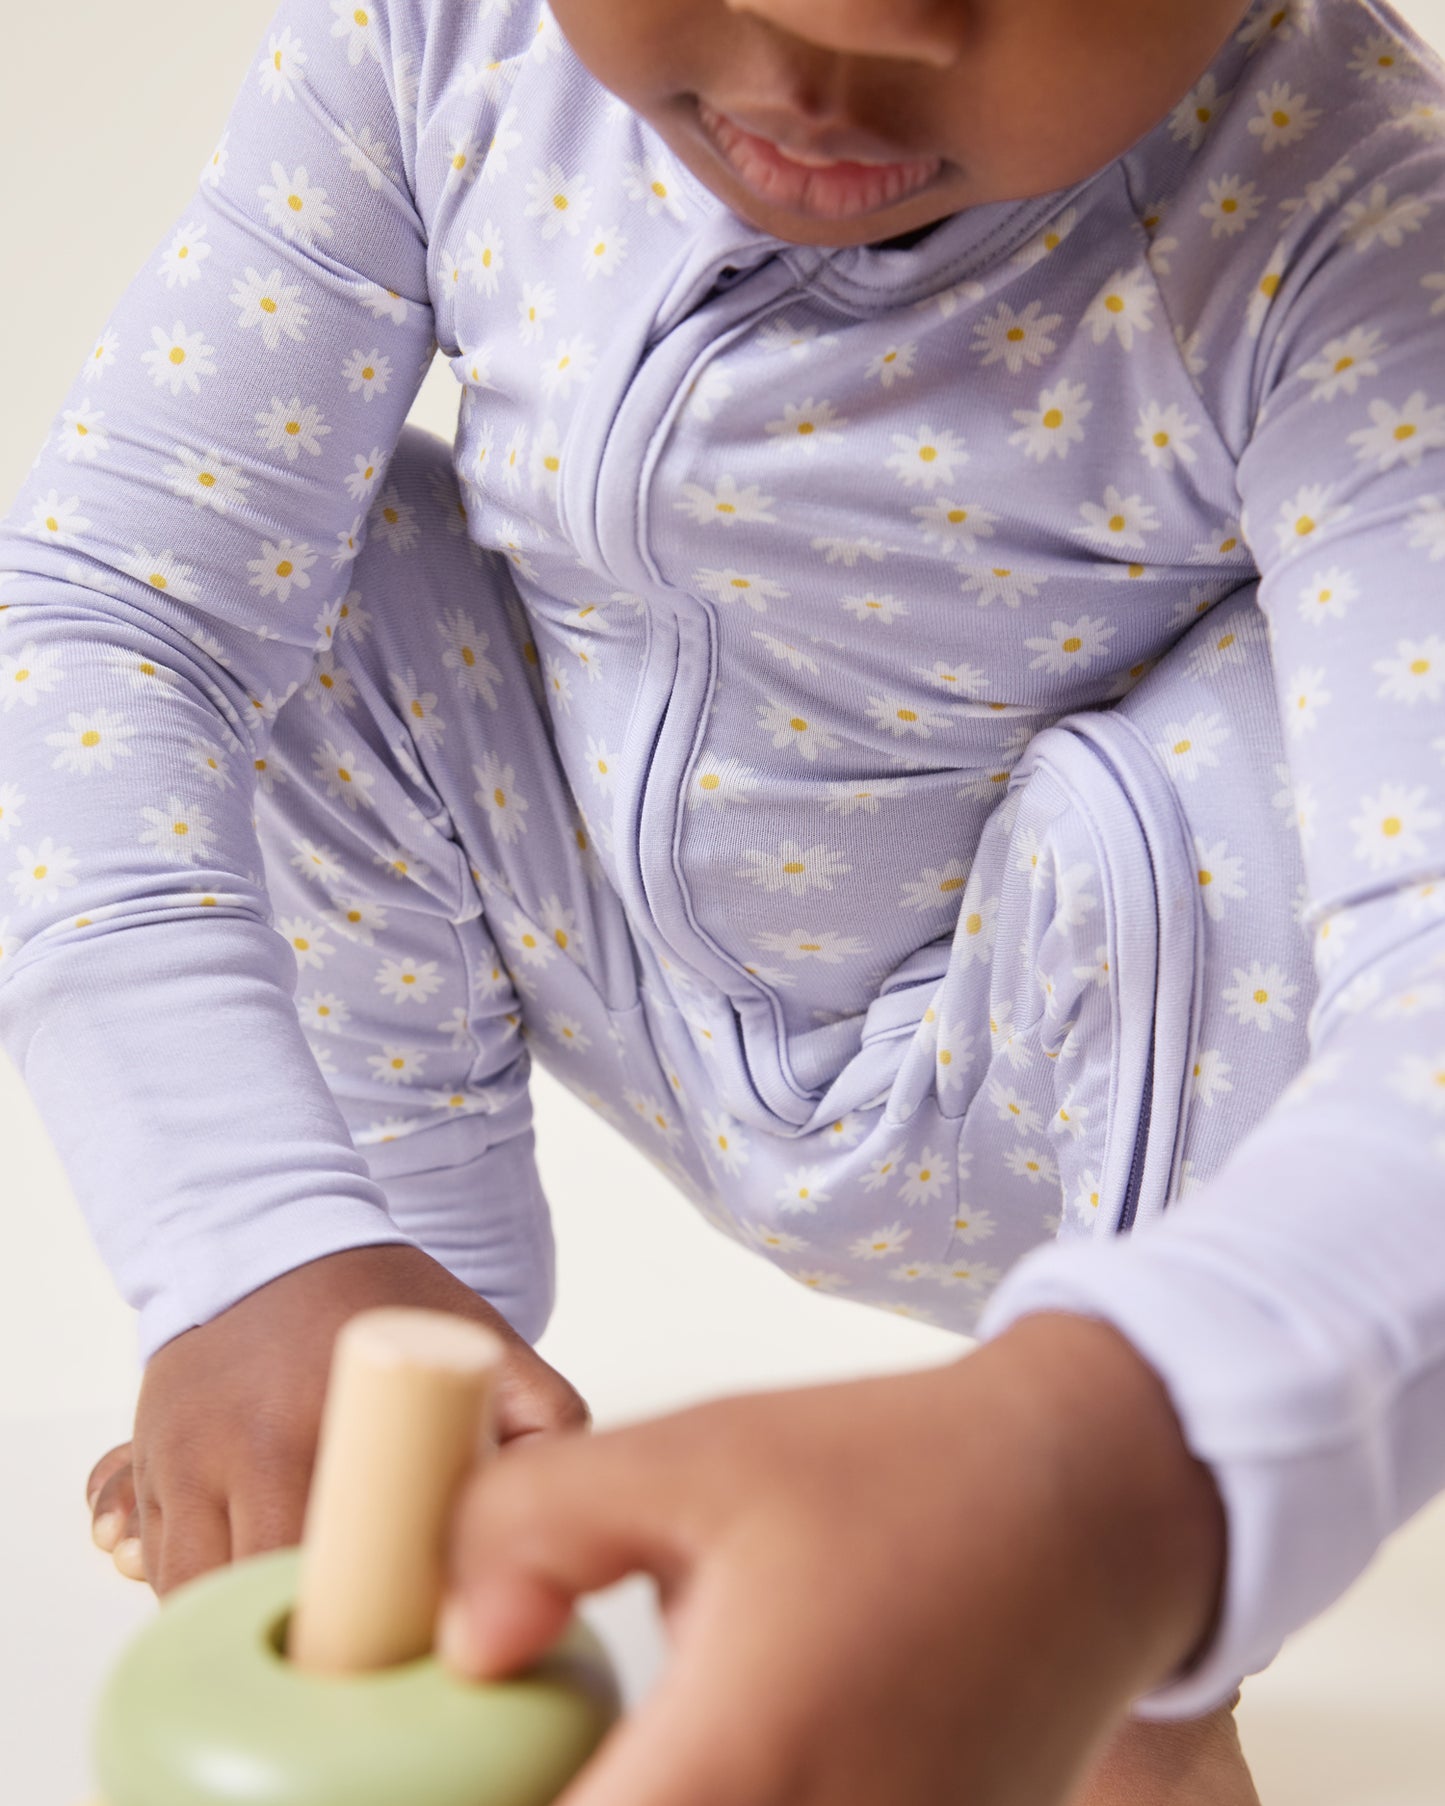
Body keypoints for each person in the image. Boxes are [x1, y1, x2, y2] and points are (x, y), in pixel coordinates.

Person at [4, 0, 1445, 1796]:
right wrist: (243, 1239)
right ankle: (391, 1426)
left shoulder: (1341, 212)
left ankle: (1136, 1699)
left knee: (1258, 753)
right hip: (617, 945)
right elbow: (108, 620)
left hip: (1070, 1048)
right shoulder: (445, 40)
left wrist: (1113, 1482)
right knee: (301, 579)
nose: (819, 58)